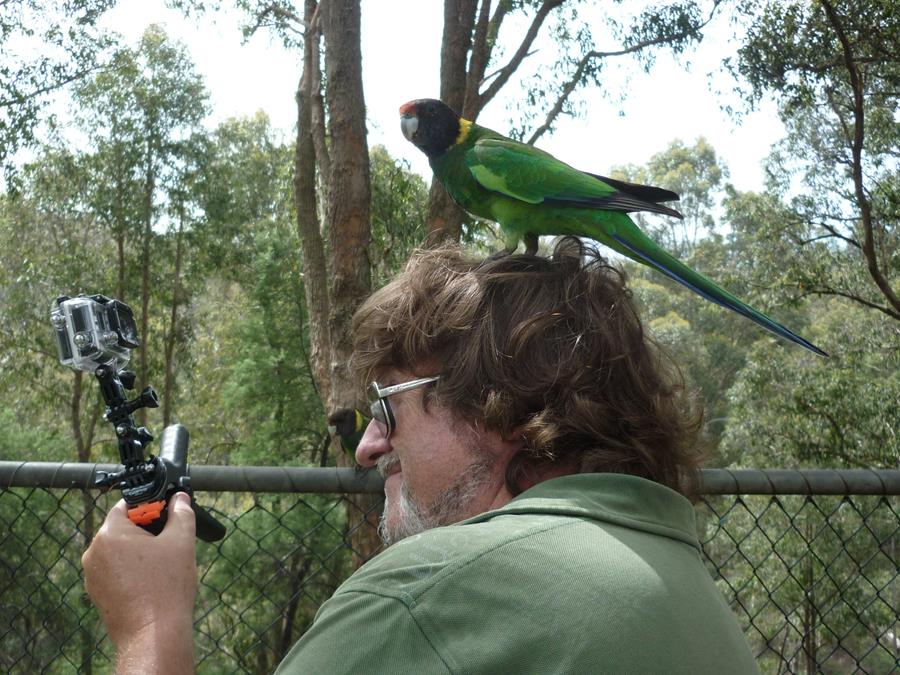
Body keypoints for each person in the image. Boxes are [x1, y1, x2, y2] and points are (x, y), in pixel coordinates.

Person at [83, 237, 760, 674]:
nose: (371, 443)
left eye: (388, 407)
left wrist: (151, 626)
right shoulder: (683, 582)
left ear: (509, 407)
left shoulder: (430, 590)